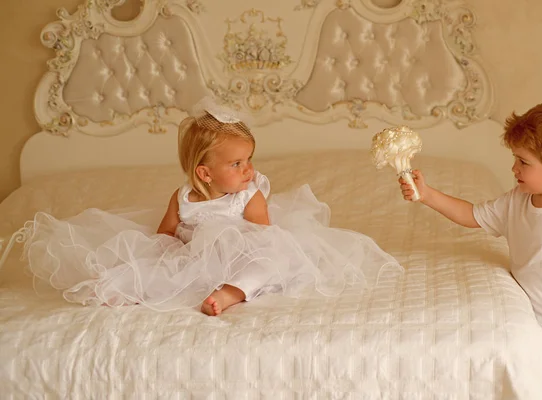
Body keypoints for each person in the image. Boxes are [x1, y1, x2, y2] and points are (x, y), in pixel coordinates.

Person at [22, 99, 400, 316]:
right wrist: (180, 255)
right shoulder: (183, 197)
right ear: (204, 172)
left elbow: (265, 238)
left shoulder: (248, 194)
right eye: (237, 164)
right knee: (158, 269)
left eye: (249, 159)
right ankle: (124, 289)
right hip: (196, 260)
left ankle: (232, 293)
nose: (248, 169)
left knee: (271, 262)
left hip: (246, 253)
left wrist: (227, 254)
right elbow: (163, 236)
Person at [399, 102, 542, 394]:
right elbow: (471, 215)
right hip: (532, 337)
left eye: (523, 162)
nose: (514, 168)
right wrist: (427, 195)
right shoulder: (517, 201)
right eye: (515, 159)